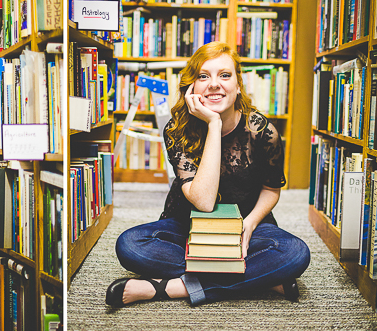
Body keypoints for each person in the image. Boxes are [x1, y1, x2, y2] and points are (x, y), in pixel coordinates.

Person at [105, 42, 310, 307]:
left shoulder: (263, 132)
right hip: (187, 226)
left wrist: (249, 223)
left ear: (238, 85)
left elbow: (271, 190)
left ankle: (166, 289)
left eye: (225, 75)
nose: (214, 84)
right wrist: (213, 124)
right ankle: (263, 279)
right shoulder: (176, 130)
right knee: (129, 245)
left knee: (295, 253)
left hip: (246, 228)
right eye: (204, 76)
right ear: (192, 87)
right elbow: (204, 202)